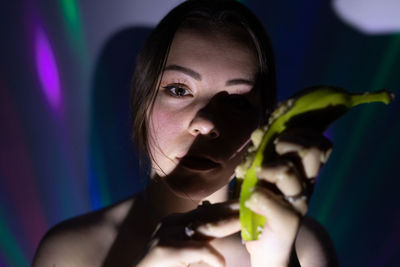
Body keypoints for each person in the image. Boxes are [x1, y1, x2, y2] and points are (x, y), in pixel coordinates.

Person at [33, 0, 338, 266]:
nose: (206, 123)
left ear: (264, 121)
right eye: (179, 90)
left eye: (237, 102)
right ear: (142, 100)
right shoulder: (72, 251)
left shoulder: (302, 248)